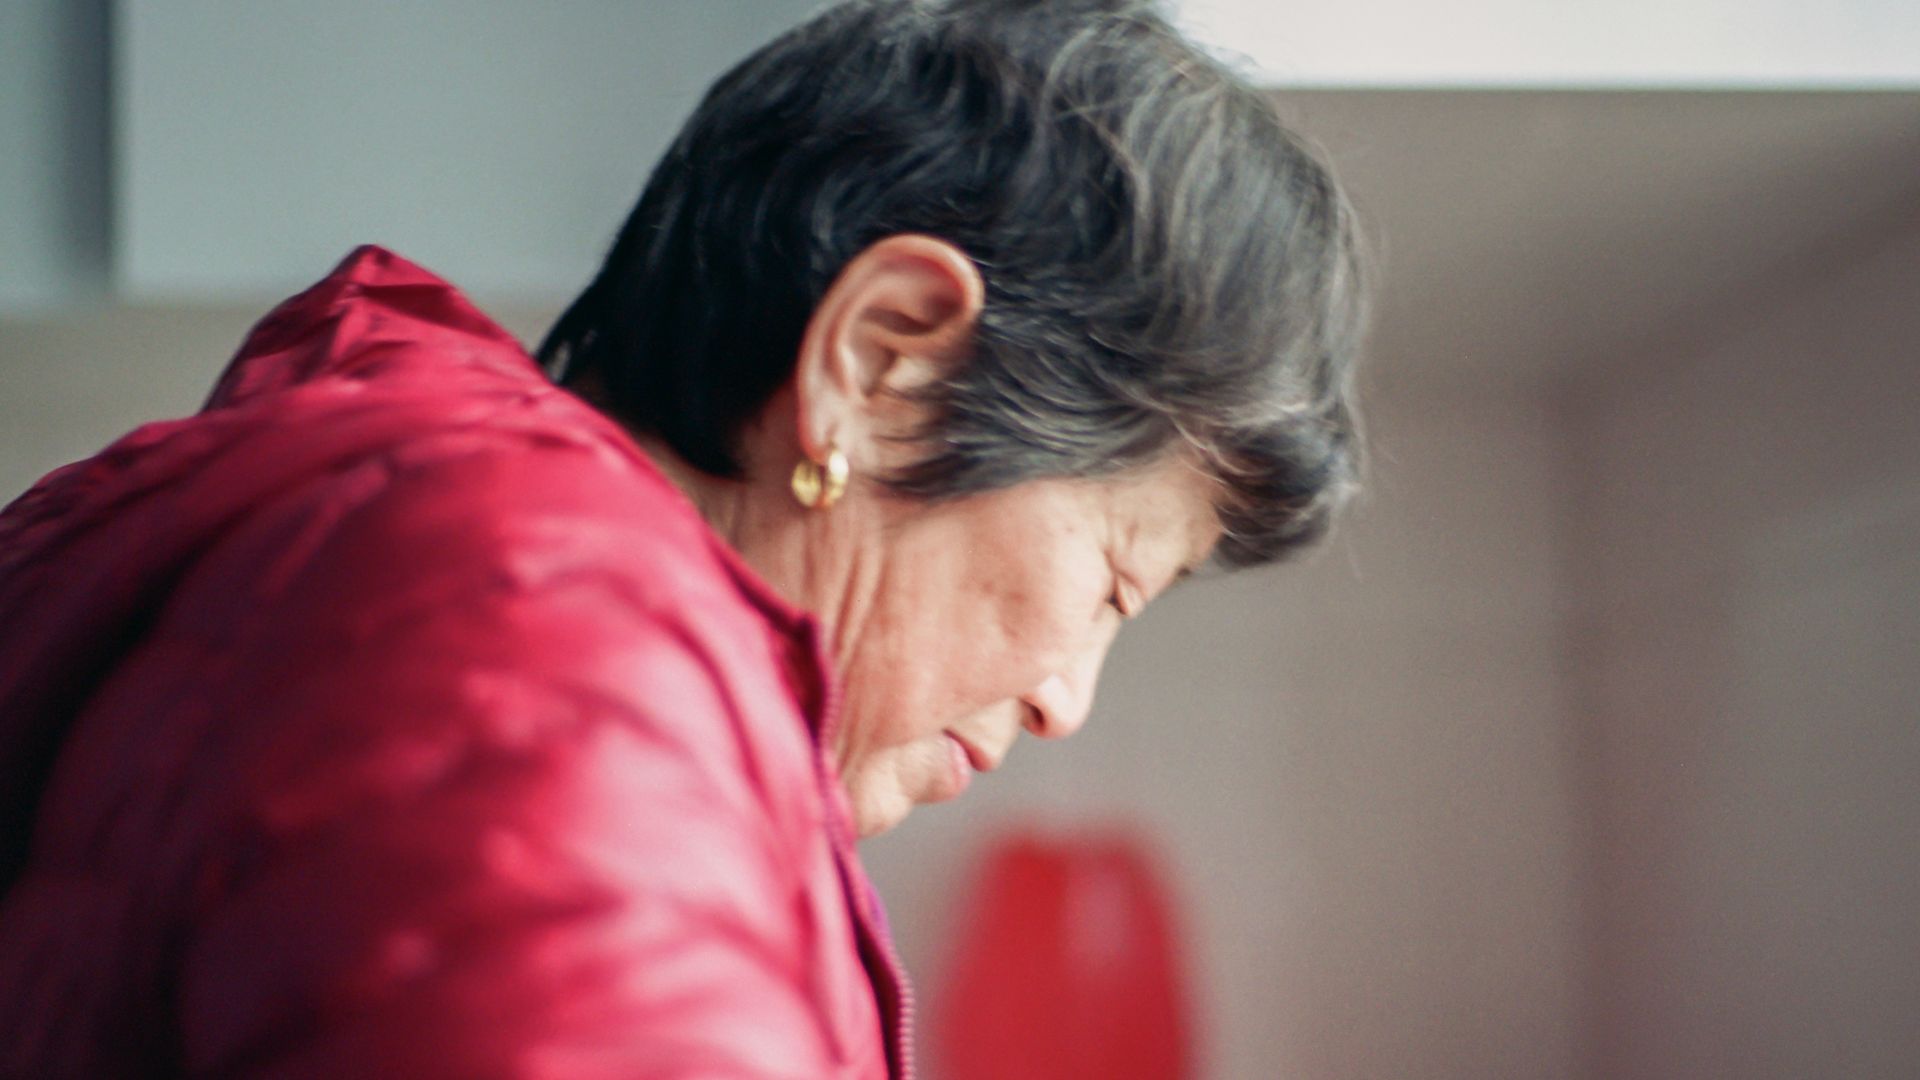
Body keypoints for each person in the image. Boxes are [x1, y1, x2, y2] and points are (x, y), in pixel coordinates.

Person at [0, 0, 1362, 1075]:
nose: (1069, 700)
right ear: (885, 369)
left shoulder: (480, 588)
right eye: (1115, 586)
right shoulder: (535, 629)